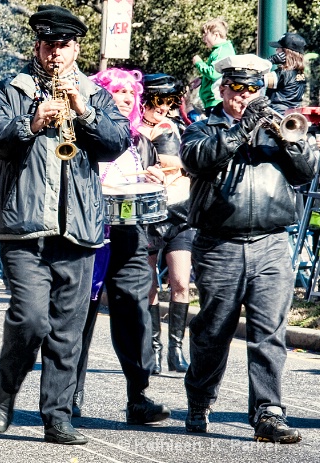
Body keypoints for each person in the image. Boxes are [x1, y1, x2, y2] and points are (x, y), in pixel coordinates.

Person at [0, 5, 130, 444]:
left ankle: (57, 416)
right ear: (37, 46)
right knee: (30, 320)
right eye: (49, 45)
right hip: (24, 225)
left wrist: (85, 113)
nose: (56, 54)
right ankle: (7, 389)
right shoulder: (13, 88)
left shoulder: (93, 92)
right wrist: (31, 122)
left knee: (67, 330)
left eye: (64, 46)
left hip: (78, 227)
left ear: (76, 48)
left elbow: (117, 142)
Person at [180, 53, 316, 443]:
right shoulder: (203, 128)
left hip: (272, 243)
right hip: (219, 244)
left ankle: (268, 412)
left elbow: (306, 170)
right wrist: (240, 131)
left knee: (269, 332)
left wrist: (285, 140)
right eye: (237, 89)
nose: (245, 97)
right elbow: (197, 159)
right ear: (223, 89)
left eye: (253, 89)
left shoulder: (278, 128)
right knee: (213, 332)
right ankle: (200, 397)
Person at [71, 68, 171, 425]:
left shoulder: (141, 141)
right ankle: (70, 395)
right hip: (88, 233)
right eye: (118, 91)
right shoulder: (83, 133)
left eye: (131, 92)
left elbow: (148, 182)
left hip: (129, 234)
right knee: (80, 312)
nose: (127, 97)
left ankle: (138, 396)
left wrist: (153, 176)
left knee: (133, 308)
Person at [138, 74, 194, 375]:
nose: (164, 108)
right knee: (148, 287)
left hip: (179, 212)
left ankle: (175, 349)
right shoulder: (132, 130)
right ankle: (154, 349)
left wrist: (180, 164)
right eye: (158, 101)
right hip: (147, 215)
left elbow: (189, 161)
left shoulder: (179, 126)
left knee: (181, 282)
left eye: (170, 102)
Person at [192, 18, 236, 113]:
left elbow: (214, 73)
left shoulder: (222, 51)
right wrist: (202, 79)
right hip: (214, 101)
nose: (203, 39)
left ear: (216, 35)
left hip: (216, 101)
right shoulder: (220, 50)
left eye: (205, 35)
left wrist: (199, 63)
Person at [265, 32, 307, 115]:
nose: (276, 50)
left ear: (285, 53)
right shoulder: (301, 73)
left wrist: (269, 61)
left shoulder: (282, 73)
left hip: (277, 115)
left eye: (279, 48)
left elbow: (255, 80)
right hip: (294, 114)